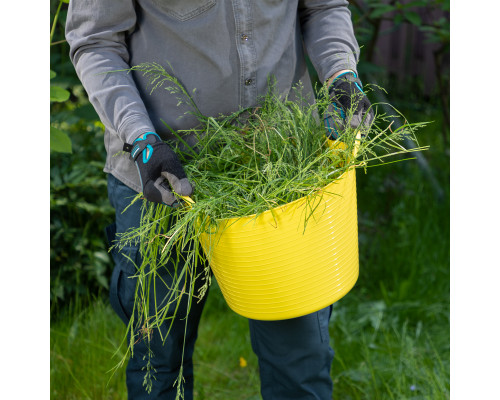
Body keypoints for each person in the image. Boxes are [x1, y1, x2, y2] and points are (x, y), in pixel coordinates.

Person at [66, 1, 373, 399]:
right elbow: (95, 41)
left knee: (299, 360)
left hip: (280, 170)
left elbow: (322, 7)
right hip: (161, 174)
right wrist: (140, 137)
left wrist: (341, 74)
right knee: (158, 360)